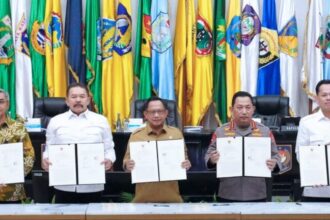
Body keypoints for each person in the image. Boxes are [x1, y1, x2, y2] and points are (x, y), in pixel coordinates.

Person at [42, 83, 116, 203]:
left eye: (82, 96)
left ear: (88, 100)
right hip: (64, 183)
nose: (78, 100)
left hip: (93, 184)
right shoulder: (56, 121)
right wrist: (46, 159)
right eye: (73, 96)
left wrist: (109, 160)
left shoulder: (101, 121)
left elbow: (109, 149)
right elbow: (49, 148)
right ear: (67, 101)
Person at [205, 91, 281, 202]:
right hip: (228, 192)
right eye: (239, 108)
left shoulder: (264, 131)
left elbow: (276, 156)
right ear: (231, 110)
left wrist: (274, 163)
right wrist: (212, 159)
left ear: (253, 110)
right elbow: (208, 155)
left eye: (248, 107)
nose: (244, 112)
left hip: (257, 193)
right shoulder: (221, 132)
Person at [123, 96, 191, 202]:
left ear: (166, 113)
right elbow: (126, 162)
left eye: (160, 111)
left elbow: (185, 160)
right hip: (142, 199)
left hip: (172, 198)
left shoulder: (176, 133)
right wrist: (127, 165)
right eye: (152, 112)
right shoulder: (136, 136)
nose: (156, 115)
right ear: (145, 114)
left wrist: (186, 164)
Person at [295, 79, 330, 202]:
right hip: (315, 189)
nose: (328, 98)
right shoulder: (307, 122)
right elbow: (300, 154)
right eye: (324, 95)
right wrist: (314, 173)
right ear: (316, 98)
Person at [0, 89, 35, 203]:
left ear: (7, 104)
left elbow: (29, 157)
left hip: (12, 191)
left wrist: (11, 177)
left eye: (1, 101)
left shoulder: (18, 128)